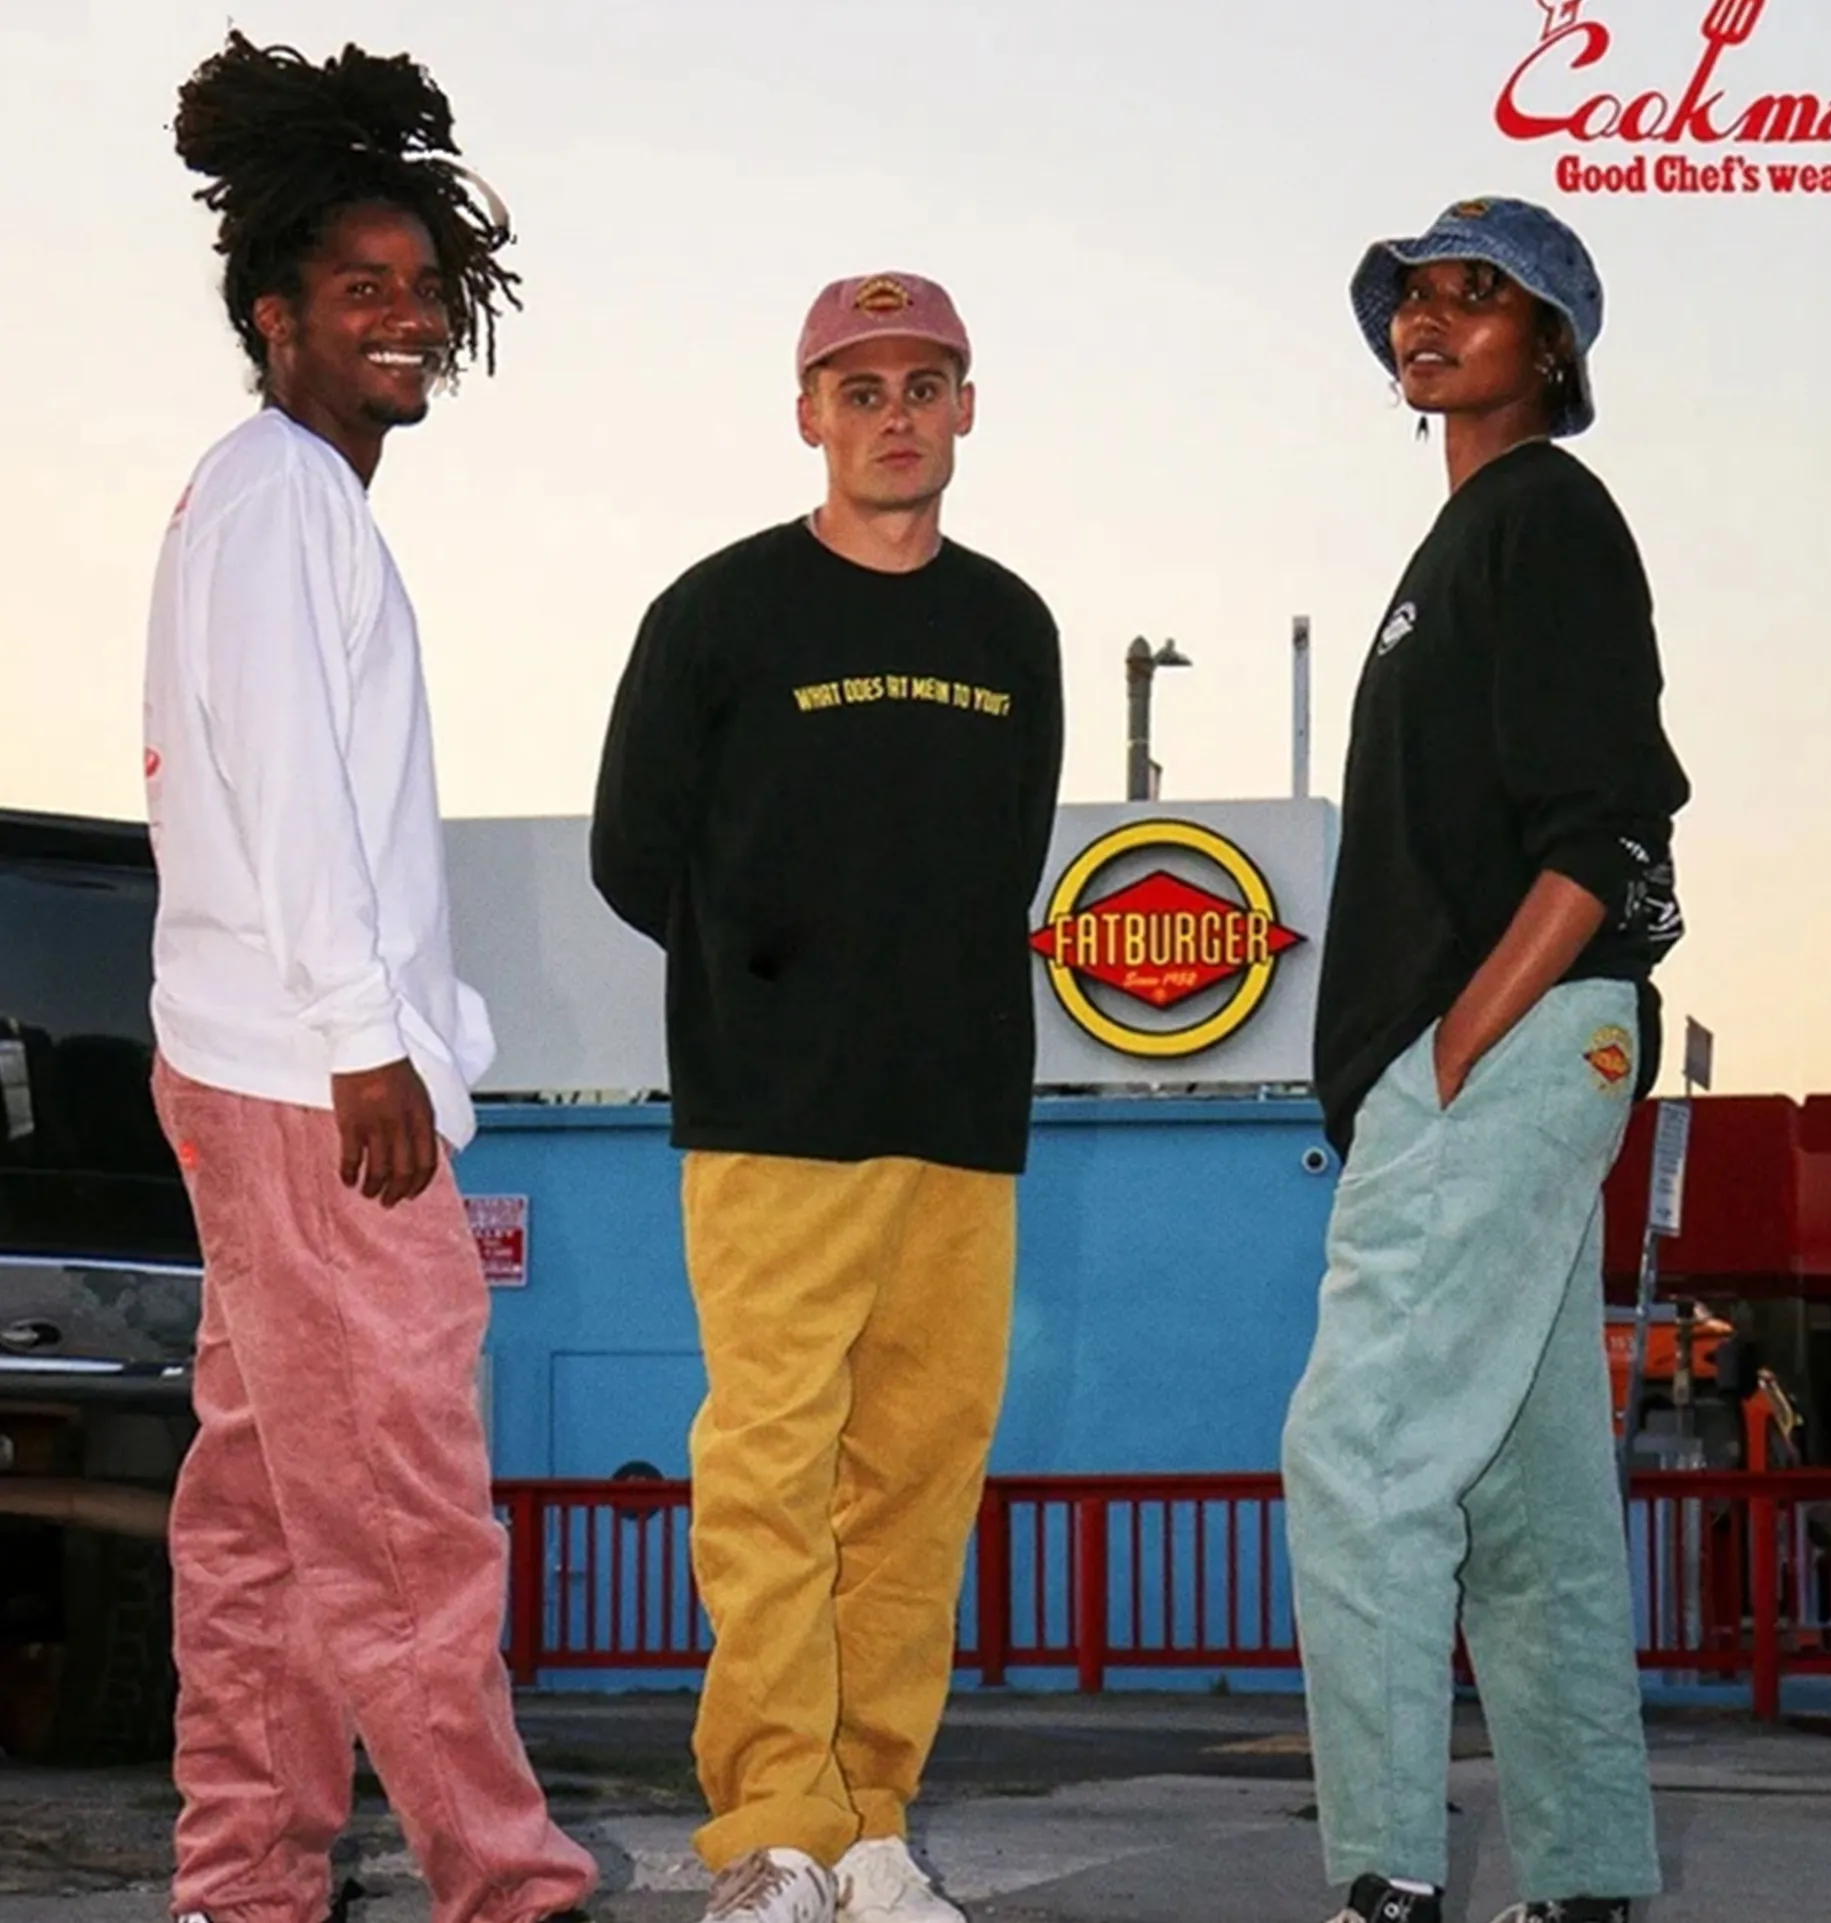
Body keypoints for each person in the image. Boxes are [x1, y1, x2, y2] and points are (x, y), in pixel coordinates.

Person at [145, 33, 597, 1923]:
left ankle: (243, 1884)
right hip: (308, 1079)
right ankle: (508, 1885)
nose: (406, 316)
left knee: (265, 1512)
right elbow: (285, 785)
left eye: (422, 286)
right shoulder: (279, 495)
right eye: (361, 288)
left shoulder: (278, 496)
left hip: (256, 1063)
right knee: (406, 1503)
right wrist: (366, 1043)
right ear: (276, 317)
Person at [590, 272, 1063, 1923]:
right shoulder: (719, 614)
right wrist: (777, 980)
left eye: (924, 385)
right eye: (859, 389)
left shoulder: (1011, 629)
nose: (894, 417)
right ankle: (777, 1828)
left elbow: (1002, 855)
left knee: (918, 1486)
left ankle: (873, 1826)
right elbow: (633, 853)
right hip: (775, 1115)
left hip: (961, 1118)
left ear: (967, 408)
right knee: (772, 1473)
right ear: (808, 414)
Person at [1280, 197, 1690, 1923]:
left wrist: (1452, 1048)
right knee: (1526, 1508)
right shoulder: (1465, 539)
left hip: (1503, 1044)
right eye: (1415, 295)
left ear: (1553, 347)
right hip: (1517, 1054)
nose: (1430, 318)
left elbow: (1609, 826)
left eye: (1480, 295)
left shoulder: (1544, 514)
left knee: (1358, 1454)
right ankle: (1586, 1885)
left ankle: (1385, 1881)